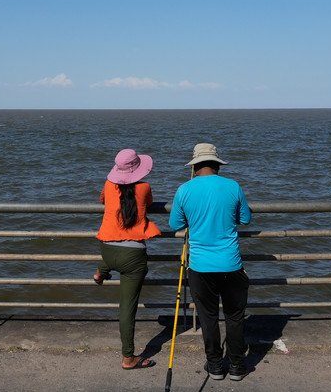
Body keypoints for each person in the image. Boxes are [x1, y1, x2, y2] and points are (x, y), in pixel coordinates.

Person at [169, 142, 252, 381]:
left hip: (200, 266)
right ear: (218, 165)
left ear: (194, 167)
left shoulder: (184, 190)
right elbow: (244, 219)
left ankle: (215, 365)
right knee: (235, 316)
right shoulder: (233, 186)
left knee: (208, 317)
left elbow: (175, 225)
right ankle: (237, 365)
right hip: (232, 264)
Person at [94, 148, 162, 370]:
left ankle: (101, 271)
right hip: (133, 256)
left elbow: (103, 200)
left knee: (113, 255)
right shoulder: (144, 187)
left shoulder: (108, 185)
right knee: (127, 308)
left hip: (107, 250)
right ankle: (128, 357)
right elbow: (148, 203)